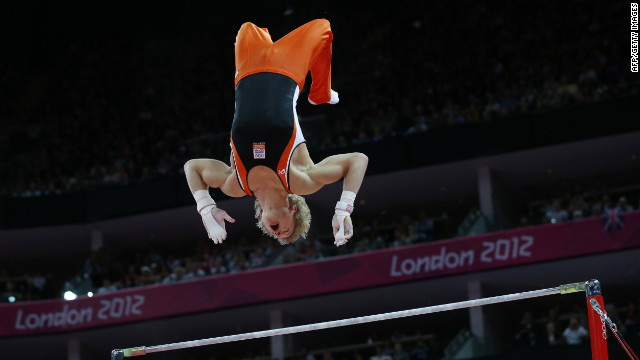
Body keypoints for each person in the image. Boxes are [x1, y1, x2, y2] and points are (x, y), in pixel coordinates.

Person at [184, 19, 368, 246]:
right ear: (293, 210)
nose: (278, 234)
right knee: (324, 27)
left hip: (247, 70)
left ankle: (320, 91)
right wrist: (343, 209)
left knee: (246, 27)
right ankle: (321, 92)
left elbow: (192, 167)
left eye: (275, 235)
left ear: (260, 216)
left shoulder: (236, 185)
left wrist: (206, 209)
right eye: (286, 231)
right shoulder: (302, 180)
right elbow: (358, 160)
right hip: (288, 69)